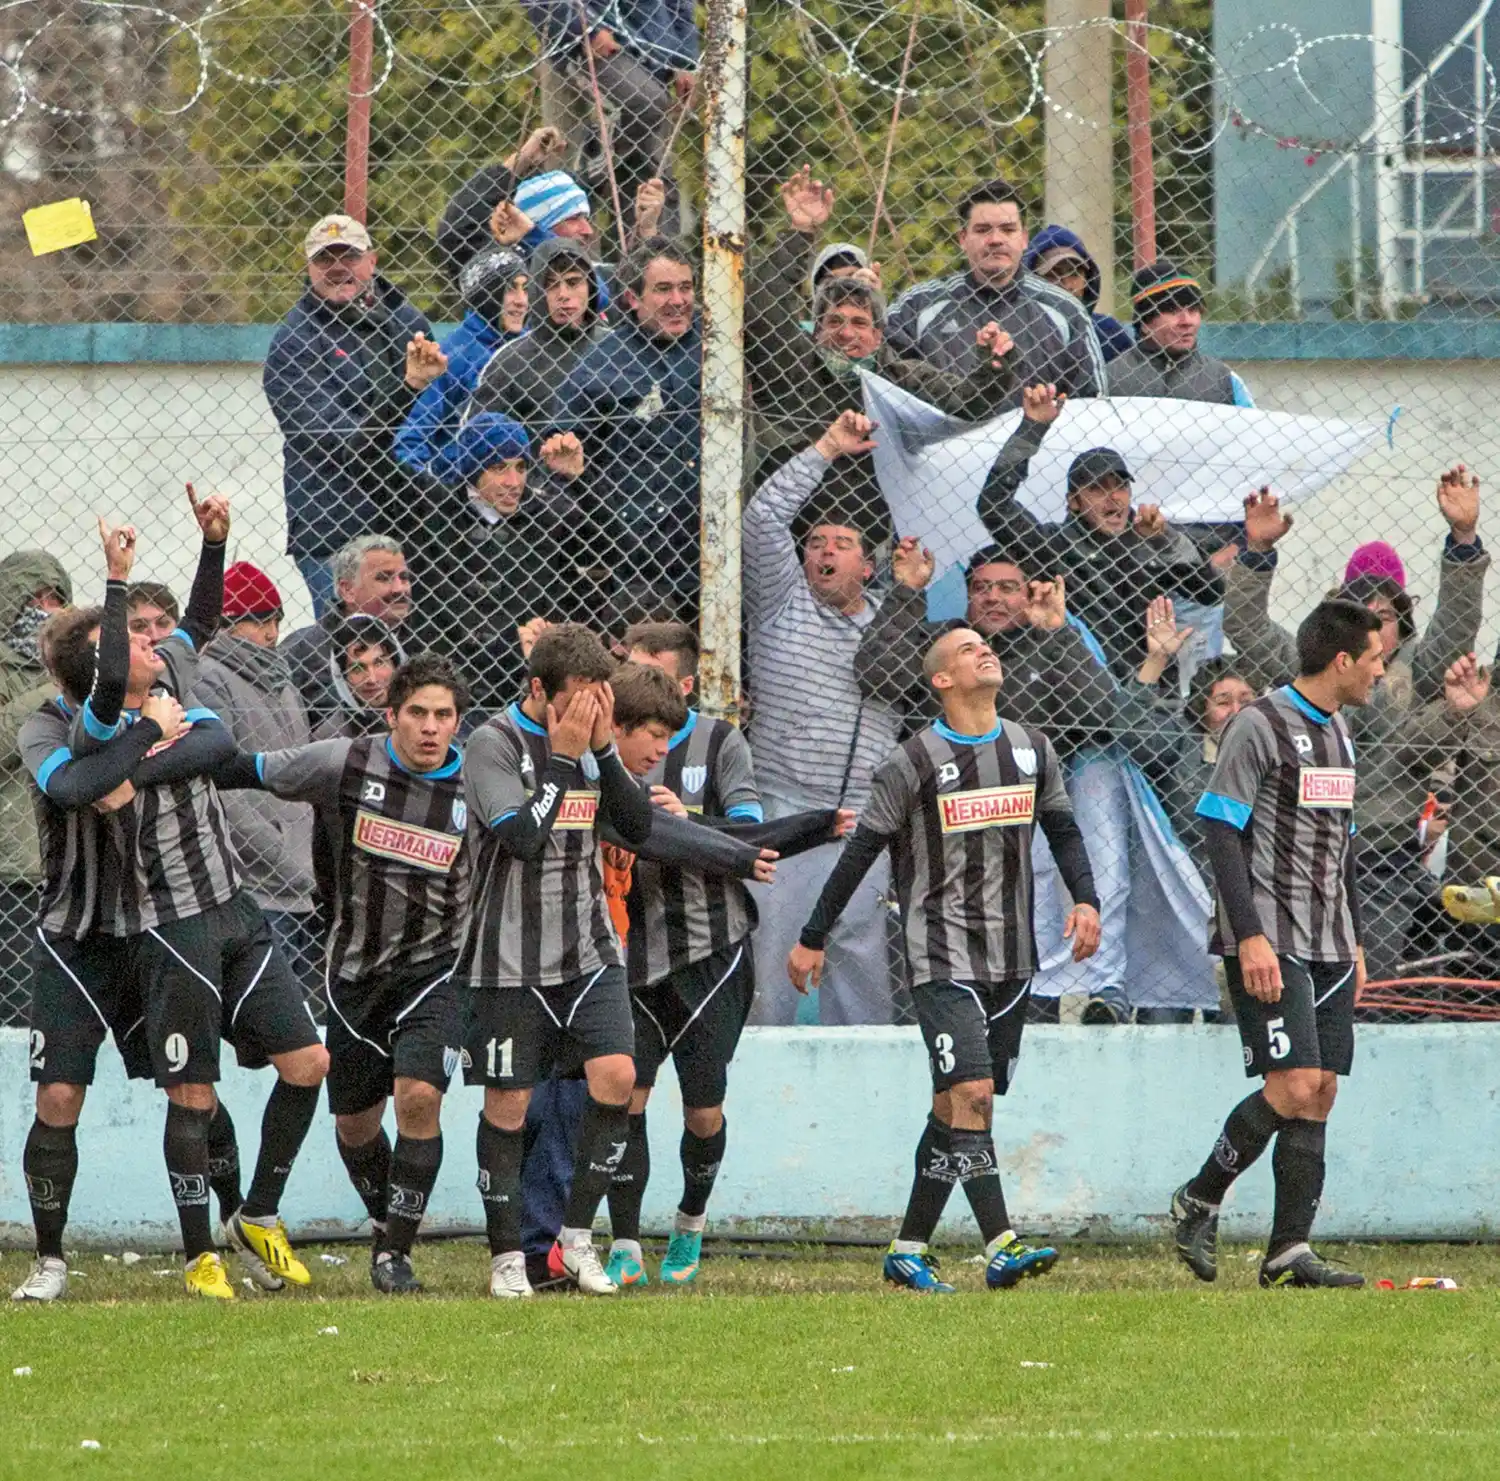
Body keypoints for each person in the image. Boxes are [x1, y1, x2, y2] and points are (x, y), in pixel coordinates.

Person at [69, 490, 330, 1301]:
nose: (156, 641)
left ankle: (256, 1213)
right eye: (136, 634)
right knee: (192, 1091)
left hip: (234, 909)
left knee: (308, 1062)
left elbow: (213, 726)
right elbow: (114, 735)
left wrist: (214, 544)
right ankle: (197, 1252)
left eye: (156, 631)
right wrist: (115, 579)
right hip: (168, 921)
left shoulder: (176, 683)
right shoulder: (97, 723)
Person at [788, 627, 1101, 1292]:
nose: (984, 649)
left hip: (1013, 955)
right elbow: (862, 851)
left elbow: (1063, 830)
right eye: (965, 649)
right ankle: (1001, 1244)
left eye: (984, 643)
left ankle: (907, 1249)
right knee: (972, 1094)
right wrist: (813, 934)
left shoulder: (1033, 747)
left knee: (954, 1107)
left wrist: (1087, 900)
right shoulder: (912, 761)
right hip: (940, 951)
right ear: (941, 681)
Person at [214, 656, 472, 1295]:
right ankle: (386, 1220)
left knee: (419, 1097)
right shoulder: (344, 763)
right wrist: (175, 743)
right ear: (392, 716)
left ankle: (396, 1254)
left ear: (457, 722)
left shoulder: (479, 784)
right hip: (354, 971)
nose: (430, 728)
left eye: (443, 715)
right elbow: (246, 769)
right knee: (356, 1125)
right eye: (417, 713)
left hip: (441, 970)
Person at [11, 586, 240, 1301]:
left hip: (153, 930)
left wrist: (135, 762)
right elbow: (75, 785)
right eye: (118, 647)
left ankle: (232, 1226)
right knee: (58, 1095)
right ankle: (50, 1259)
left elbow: (218, 741)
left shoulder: (164, 695)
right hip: (76, 937)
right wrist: (146, 737)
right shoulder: (45, 725)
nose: (138, 651)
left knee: (192, 1086)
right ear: (85, 673)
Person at [601, 636, 847, 1287]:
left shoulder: (719, 742)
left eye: (654, 675)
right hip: (631, 954)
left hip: (712, 952)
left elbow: (749, 831)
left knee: (702, 1109)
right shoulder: (597, 760)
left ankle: (690, 1222)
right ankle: (624, 1241)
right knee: (626, 1097)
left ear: (683, 684)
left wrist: (686, 818)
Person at [1173, 600, 1384, 1290]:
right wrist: (1250, 937)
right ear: (1343, 660)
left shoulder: (1341, 730)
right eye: (1376, 658)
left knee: (1319, 1090)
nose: (1382, 671)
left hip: (1330, 940)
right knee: (1290, 1084)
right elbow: (1220, 829)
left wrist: (1354, 938)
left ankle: (1288, 1253)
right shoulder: (1258, 724)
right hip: (1271, 935)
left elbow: (1343, 845)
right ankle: (1199, 1198)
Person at [1226, 476, 1486, 983]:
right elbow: (1246, 629)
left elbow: (1457, 625)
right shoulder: (1308, 670)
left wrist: (1463, 541)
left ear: (1402, 621)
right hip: (1300, 859)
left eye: (1384, 614)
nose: (1373, 625)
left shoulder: (1418, 671)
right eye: (1359, 611)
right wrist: (1256, 553)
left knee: (1371, 986)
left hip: (1384, 859)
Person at [458, 623, 653, 1297]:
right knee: (510, 1103)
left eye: (600, 696)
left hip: (589, 947)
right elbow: (521, 835)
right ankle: (507, 1257)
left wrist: (601, 750)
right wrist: (564, 759)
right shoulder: (492, 743)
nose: (590, 709)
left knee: (617, 1076)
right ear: (539, 689)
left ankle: (575, 1239)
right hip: (508, 954)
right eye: (578, 697)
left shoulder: (593, 745)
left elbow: (637, 826)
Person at [743, 410, 902, 1025]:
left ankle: (864, 1068)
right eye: (815, 543)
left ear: (868, 566)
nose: (826, 551)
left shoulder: (893, 619)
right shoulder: (782, 601)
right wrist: (827, 448)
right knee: (772, 954)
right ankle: (758, 1062)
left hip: (863, 816)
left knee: (860, 959)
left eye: (842, 544)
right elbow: (763, 519)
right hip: (785, 808)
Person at [263, 213, 448, 617]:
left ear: (372, 261)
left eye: (348, 256)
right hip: (334, 527)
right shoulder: (294, 341)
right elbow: (342, 440)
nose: (337, 268)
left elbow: (436, 413)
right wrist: (407, 394)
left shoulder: (408, 321)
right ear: (309, 268)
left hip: (411, 521)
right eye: (324, 259)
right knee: (348, 640)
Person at [977, 382, 1225, 677]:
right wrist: (1032, 429)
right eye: (1097, 488)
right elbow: (994, 505)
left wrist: (1166, 539)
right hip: (1079, 681)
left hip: (1151, 680)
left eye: (1120, 486)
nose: (1113, 497)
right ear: (1074, 501)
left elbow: (1211, 593)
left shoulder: (1149, 542)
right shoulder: (1052, 545)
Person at [554, 236, 702, 613]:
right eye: (663, 289)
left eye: (686, 288)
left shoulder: (720, 342)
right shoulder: (600, 365)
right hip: (639, 562)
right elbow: (563, 455)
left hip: (719, 546)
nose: (678, 300)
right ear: (633, 298)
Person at [196, 563, 320, 1006]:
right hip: (257, 881)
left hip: (299, 877)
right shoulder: (207, 677)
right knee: (266, 1009)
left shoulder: (279, 678)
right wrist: (281, 855)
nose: (271, 632)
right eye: (260, 620)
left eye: (276, 619)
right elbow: (219, 785)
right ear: (227, 624)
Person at [750, 269, 1017, 472]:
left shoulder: (904, 378)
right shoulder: (795, 371)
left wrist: (993, 367)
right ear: (817, 330)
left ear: (878, 335)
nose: (846, 333)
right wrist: (800, 234)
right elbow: (762, 305)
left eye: (859, 323)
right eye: (834, 321)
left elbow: (968, 403)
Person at [410, 415, 591, 714]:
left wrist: (579, 480)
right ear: (473, 471)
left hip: (521, 685)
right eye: (498, 468)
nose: (513, 482)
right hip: (443, 683)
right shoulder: (434, 510)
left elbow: (617, 550)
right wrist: (408, 393)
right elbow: (364, 457)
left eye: (521, 468)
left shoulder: (547, 516)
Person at [886, 178, 1105, 397]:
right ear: (963, 238)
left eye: (1008, 230)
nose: (995, 240)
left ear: (1024, 238)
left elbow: (1093, 403)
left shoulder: (1066, 311)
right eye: (983, 230)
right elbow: (884, 383)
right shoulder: (916, 306)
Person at [520, 1, 696, 238]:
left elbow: (681, 5)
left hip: (656, 54)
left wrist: (684, 60)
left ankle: (649, 255)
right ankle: (590, 168)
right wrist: (584, 29)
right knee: (646, 104)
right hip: (592, 42)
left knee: (653, 179)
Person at [0, 550, 72, 1022]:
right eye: (35, 598)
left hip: (73, 865)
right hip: (17, 866)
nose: (47, 609)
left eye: (56, 599)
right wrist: (54, 690)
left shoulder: (80, 667)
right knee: (21, 1004)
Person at [393, 245, 530, 476]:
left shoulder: (534, 347)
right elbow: (410, 439)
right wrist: (431, 489)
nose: (522, 300)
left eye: (525, 289)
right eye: (510, 289)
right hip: (462, 488)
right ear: (486, 295)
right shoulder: (452, 356)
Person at [466, 236, 608, 435]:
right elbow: (476, 437)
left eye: (573, 282)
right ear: (537, 292)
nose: (563, 294)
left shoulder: (615, 346)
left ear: (590, 287)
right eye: (551, 285)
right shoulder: (510, 362)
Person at [280, 534, 412, 732]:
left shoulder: (423, 643)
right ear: (348, 590)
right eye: (384, 578)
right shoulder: (301, 652)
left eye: (404, 578)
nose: (399, 588)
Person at [434, 125, 573, 283]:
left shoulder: (586, 274)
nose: (588, 230)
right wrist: (520, 161)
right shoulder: (508, 270)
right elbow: (457, 230)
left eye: (586, 219)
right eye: (572, 218)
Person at [1107, 260, 1253, 406]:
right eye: (1173, 311)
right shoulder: (1110, 378)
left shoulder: (1223, 380)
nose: (1187, 321)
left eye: (1193, 310)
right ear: (1145, 323)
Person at [1023, 224, 1133, 363]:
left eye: (1074, 273)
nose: (1066, 284)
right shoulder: (1019, 332)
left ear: (1088, 279)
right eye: (1052, 274)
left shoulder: (1107, 332)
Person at [312, 616, 402, 742]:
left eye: (379, 663)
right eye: (357, 668)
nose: (372, 679)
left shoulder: (422, 713)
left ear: (396, 664)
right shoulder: (330, 737)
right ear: (342, 676)